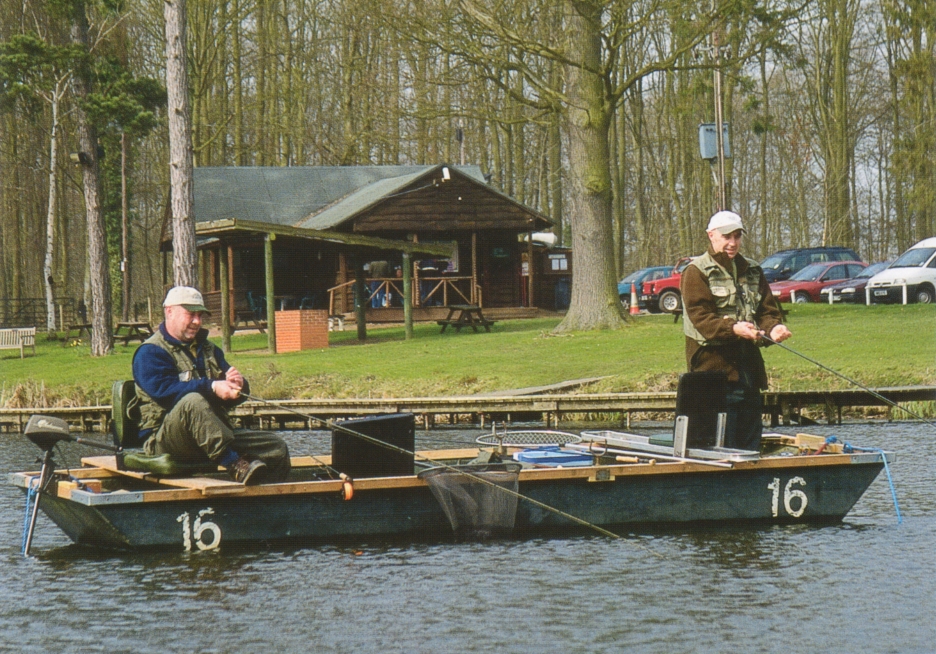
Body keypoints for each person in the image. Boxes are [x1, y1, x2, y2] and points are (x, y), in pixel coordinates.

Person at [132, 286, 290, 485]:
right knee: (192, 400)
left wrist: (238, 388)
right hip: (166, 440)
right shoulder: (150, 353)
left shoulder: (209, 349)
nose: (197, 321)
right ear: (169, 311)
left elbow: (227, 390)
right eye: (191, 314)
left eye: (200, 315)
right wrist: (213, 387)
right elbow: (165, 393)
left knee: (276, 447)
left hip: (213, 436)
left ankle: (269, 504)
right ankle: (234, 463)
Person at [680, 211, 792, 451]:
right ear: (711, 236)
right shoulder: (695, 271)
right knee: (719, 445)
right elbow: (702, 319)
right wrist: (734, 329)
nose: (732, 243)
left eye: (737, 236)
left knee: (749, 444)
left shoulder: (753, 269)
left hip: (748, 372)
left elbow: (767, 311)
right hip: (712, 372)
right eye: (726, 236)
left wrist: (774, 329)